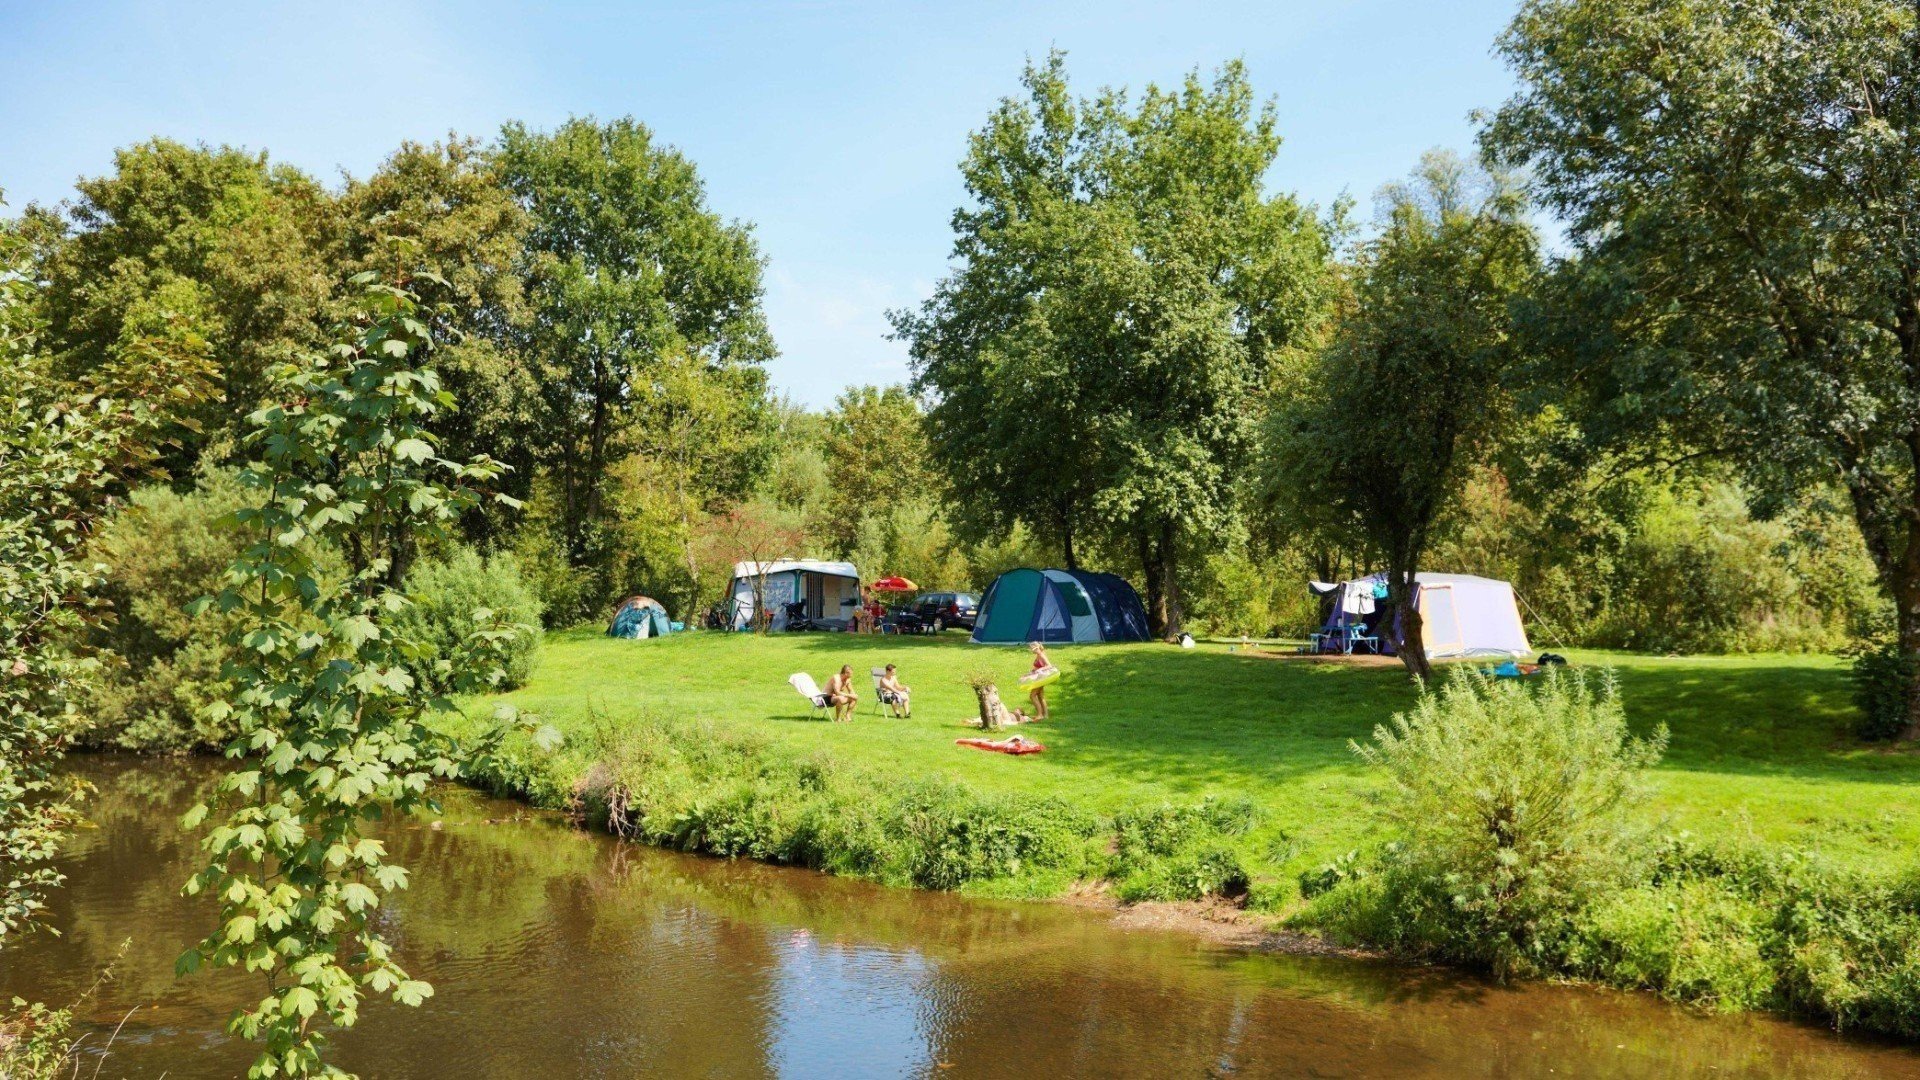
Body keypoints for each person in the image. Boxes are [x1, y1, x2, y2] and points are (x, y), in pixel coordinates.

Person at [1026, 641, 1053, 720]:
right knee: (1040, 696)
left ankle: (1040, 714)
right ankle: (1046, 715)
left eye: (1031, 649)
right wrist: (1032, 671)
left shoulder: (1041, 655)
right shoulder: (1038, 655)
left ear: (1036, 648)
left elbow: (1049, 665)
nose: (1031, 651)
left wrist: (1040, 669)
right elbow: (1038, 667)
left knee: (1032, 696)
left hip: (1041, 678)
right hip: (1039, 677)